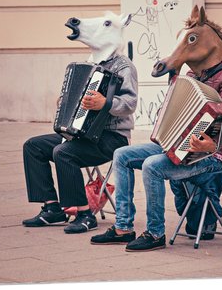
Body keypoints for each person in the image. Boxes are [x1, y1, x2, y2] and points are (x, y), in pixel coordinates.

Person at [90, 59, 222, 251]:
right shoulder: (191, 76)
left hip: (210, 156)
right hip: (176, 145)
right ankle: (123, 228)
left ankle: (155, 233)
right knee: (121, 155)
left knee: (152, 166)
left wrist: (212, 144)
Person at [22, 53, 138, 234]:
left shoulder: (124, 66)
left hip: (113, 137)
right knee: (33, 146)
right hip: (84, 133)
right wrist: (66, 101)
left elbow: (130, 103)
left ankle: (85, 215)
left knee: (63, 152)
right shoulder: (91, 62)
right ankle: (52, 208)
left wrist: (105, 103)